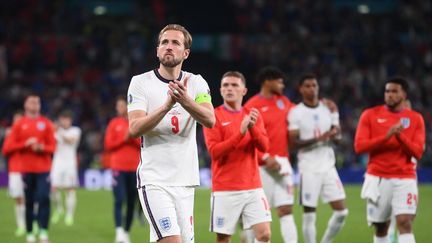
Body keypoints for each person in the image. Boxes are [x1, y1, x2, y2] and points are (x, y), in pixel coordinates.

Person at [127, 24, 215, 243]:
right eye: (164, 42)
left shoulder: (197, 83)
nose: (169, 46)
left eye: (175, 43)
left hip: (185, 181)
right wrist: (166, 106)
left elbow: (210, 119)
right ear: (157, 50)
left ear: (185, 53)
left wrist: (184, 100)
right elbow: (134, 128)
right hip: (154, 180)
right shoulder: (140, 83)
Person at [354, 77, 425, 243]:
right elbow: (359, 147)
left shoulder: (416, 119)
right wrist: (386, 136)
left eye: (394, 91)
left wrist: (400, 136)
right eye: (387, 91)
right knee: (381, 227)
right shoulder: (370, 115)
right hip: (378, 178)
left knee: (405, 222)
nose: (390, 95)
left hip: (405, 177)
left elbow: (417, 153)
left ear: (404, 94)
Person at [203, 71, 271, 243]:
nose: (229, 88)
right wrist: (240, 133)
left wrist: (253, 128)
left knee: (264, 235)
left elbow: (264, 147)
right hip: (225, 189)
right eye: (225, 85)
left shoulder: (253, 115)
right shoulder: (214, 116)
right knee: (224, 238)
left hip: (253, 186)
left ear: (244, 91)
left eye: (234, 85)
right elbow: (214, 152)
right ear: (220, 90)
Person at [288, 74, 348, 243]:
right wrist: (319, 139)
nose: (312, 89)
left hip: (329, 167)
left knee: (342, 212)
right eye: (307, 86)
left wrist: (335, 125)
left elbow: (338, 137)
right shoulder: (296, 112)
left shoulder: (328, 108)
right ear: (301, 89)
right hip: (308, 168)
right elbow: (292, 143)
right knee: (309, 214)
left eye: (314, 85)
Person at [244, 66, 298, 243]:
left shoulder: (283, 101)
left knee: (286, 210)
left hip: (283, 163)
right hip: (261, 166)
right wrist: (265, 158)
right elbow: (246, 140)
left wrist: (322, 105)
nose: (283, 85)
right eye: (279, 81)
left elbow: (301, 112)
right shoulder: (252, 105)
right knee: (258, 215)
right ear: (268, 81)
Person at [4, 94, 56, 243]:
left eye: (37, 102)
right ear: (26, 105)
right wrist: (24, 144)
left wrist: (42, 148)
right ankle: (30, 234)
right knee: (29, 202)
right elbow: (7, 148)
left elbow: (53, 147)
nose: (34, 104)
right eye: (31, 102)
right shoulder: (19, 124)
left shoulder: (46, 123)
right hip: (26, 169)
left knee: (44, 198)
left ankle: (44, 232)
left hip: (44, 169)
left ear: (39, 105)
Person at [105, 97, 141, 243]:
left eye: (121, 105)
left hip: (134, 168)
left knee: (132, 201)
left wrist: (132, 138)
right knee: (119, 199)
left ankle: (126, 231)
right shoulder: (114, 123)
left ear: (128, 106)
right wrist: (124, 139)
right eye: (117, 105)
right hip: (118, 168)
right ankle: (119, 231)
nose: (118, 108)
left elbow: (143, 144)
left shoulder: (137, 122)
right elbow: (108, 145)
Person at [50, 110, 81, 226]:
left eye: (66, 119)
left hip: (70, 164)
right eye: (62, 119)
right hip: (57, 162)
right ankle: (59, 209)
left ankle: (69, 215)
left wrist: (58, 130)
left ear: (70, 120)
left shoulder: (76, 131)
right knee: (53, 188)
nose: (64, 121)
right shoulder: (55, 132)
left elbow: (70, 140)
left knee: (70, 189)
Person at [2, 110, 25, 237]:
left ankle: (32, 223)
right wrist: (21, 145)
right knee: (18, 198)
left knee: (31, 198)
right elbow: (5, 150)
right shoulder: (10, 134)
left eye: (19, 120)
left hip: (29, 169)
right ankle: (21, 225)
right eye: (15, 120)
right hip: (15, 170)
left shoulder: (28, 132)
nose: (17, 122)